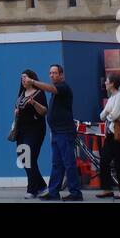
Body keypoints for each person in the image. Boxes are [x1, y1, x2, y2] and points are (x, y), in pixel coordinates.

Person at [29, 63, 81, 201]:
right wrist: (34, 103)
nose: (52, 75)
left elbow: (50, 88)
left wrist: (33, 82)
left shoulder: (62, 87)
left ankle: (75, 192)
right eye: (50, 73)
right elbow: (48, 111)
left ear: (61, 75)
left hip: (65, 132)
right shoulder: (55, 91)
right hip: (57, 132)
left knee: (69, 163)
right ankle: (53, 191)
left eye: (55, 73)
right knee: (56, 164)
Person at [95, 74, 120, 199]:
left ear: (112, 84)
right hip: (110, 134)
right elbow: (101, 116)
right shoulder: (111, 98)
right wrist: (108, 112)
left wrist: (108, 113)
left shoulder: (119, 96)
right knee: (104, 161)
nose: (105, 83)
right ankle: (106, 188)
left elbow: (114, 115)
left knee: (119, 163)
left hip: (118, 134)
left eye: (107, 81)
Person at [13, 69, 48, 199]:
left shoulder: (38, 93)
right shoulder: (22, 93)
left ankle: (32, 189)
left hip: (35, 130)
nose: (23, 80)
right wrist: (16, 112)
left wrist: (33, 103)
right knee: (24, 158)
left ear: (32, 79)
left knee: (29, 157)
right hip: (21, 129)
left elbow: (44, 111)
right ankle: (42, 186)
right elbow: (17, 107)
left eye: (25, 77)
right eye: (21, 78)